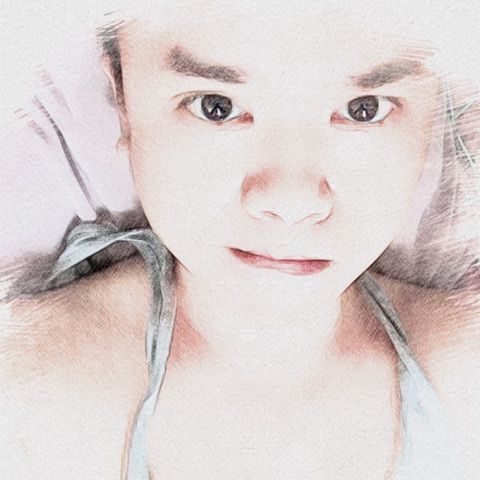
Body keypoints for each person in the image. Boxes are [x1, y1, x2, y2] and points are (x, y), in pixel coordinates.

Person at [1, 2, 479, 479]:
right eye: (216, 107)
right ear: (125, 107)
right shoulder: (28, 398)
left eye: (363, 110)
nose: (291, 203)